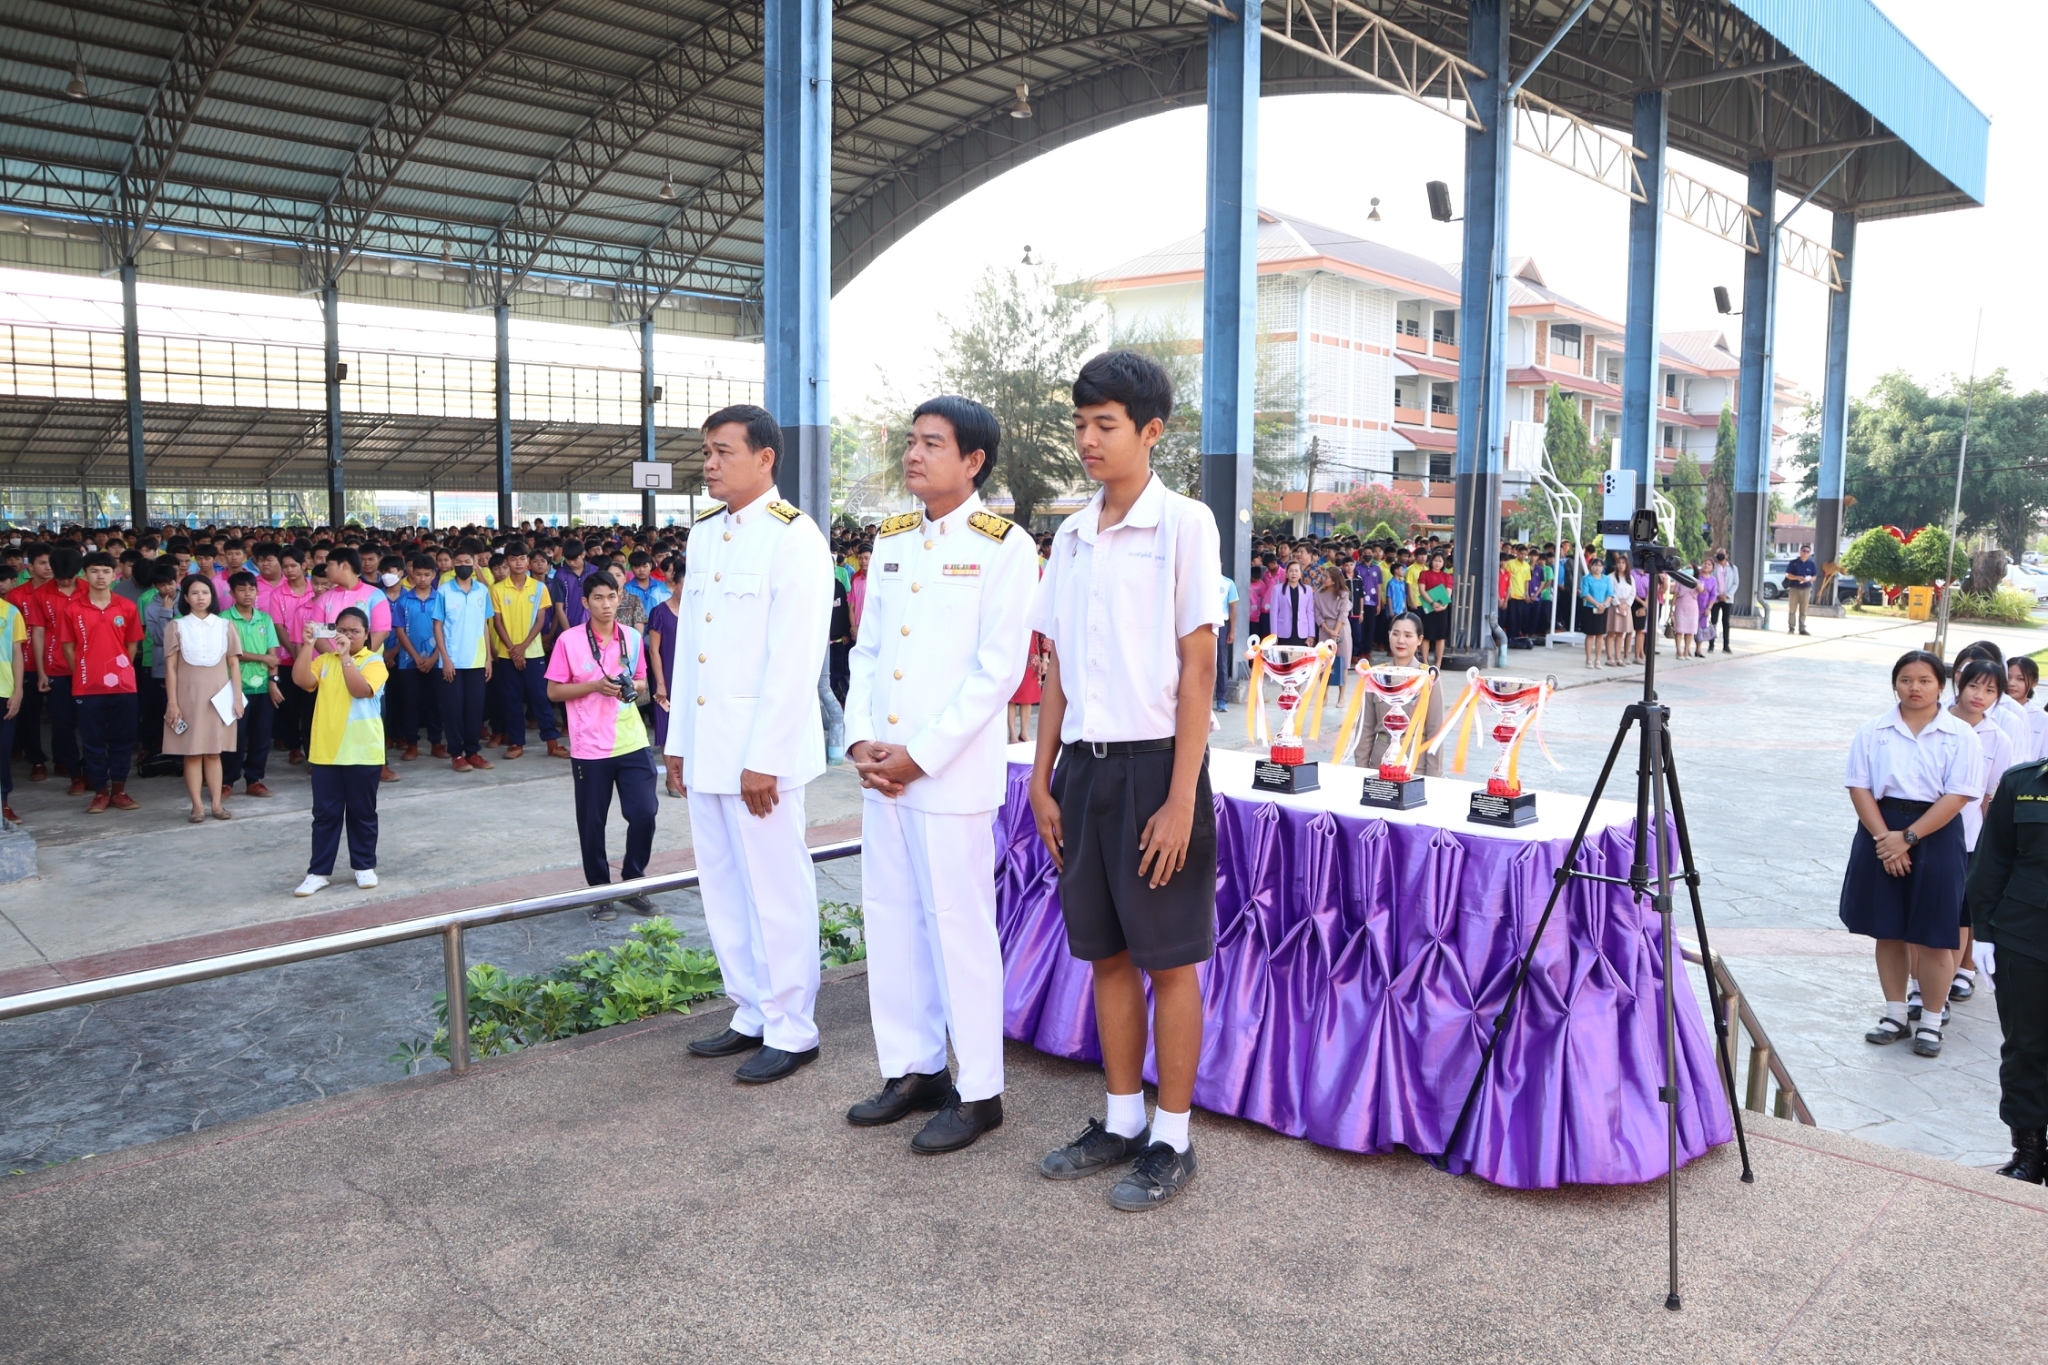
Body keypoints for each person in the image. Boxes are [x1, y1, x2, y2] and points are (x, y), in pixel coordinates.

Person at [1027, 349, 1221, 1212]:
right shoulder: (1069, 535)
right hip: (1084, 771)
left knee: (1167, 959)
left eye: (1104, 425)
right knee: (1104, 952)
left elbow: (1198, 669)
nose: (1087, 441)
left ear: (1152, 431)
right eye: (1080, 425)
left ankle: (1172, 1137)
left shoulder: (1185, 524)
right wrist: (1042, 778)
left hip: (1154, 771)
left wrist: (1182, 797)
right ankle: (1119, 1116)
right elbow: (1058, 663)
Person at [841, 394, 1035, 1154]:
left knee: (958, 930)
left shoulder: (1004, 546)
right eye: (912, 443)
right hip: (881, 773)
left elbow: (997, 672)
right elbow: (864, 653)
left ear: (973, 460)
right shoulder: (891, 540)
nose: (913, 455)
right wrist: (862, 741)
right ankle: (915, 1066)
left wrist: (920, 754)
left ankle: (980, 1088)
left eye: (932, 443)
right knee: (890, 915)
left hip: (944, 776)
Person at [666, 404, 833, 1084]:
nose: (709, 461)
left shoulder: (794, 538)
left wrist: (764, 755)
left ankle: (794, 1026)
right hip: (708, 747)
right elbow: (690, 650)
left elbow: (795, 659)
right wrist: (677, 739)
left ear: (764, 458)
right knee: (725, 885)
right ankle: (751, 1010)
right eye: (706, 450)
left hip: (760, 755)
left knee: (776, 888)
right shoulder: (706, 534)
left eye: (722, 450)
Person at [1841, 650, 1981, 1059]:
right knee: (1889, 929)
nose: (1914, 687)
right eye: (1906, 679)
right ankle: (1895, 1013)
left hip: (1935, 832)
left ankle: (1932, 1021)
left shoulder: (1960, 735)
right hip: (1880, 829)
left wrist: (1909, 838)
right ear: (1895, 683)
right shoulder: (1873, 731)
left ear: (1941, 685)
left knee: (1936, 933)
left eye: (1924, 680)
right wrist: (1886, 839)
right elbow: (1859, 786)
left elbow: (1958, 795)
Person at [546, 572, 658, 922]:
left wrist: (633, 686)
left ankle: (633, 880)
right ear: (585, 602)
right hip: (589, 746)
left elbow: (641, 680)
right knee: (593, 823)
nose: (606, 604)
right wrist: (595, 686)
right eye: (598, 598)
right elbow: (553, 692)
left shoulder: (633, 637)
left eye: (612, 597)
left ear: (619, 597)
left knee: (645, 813)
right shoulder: (569, 640)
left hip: (631, 740)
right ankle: (601, 892)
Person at [1963, 729, 2048, 1184]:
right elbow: (1991, 862)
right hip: (2024, 939)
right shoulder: (2023, 783)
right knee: (2025, 1049)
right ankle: (2029, 1153)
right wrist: (1984, 933)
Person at [291, 608, 387, 896]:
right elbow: (301, 681)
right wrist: (307, 644)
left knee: (362, 812)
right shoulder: (323, 660)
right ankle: (318, 872)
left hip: (361, 750)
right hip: (326, 750)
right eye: (341, 631)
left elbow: (360, 690)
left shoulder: (374, 661)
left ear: (366, 634)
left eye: (354, 631)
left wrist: (346, 658)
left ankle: (364, 866)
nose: (346, 636)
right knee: (325, 814)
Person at [58, 552, 145, 813]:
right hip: (87, 687)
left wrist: (120, 669)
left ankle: (119, 791)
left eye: (105, 571)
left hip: (123, 686)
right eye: (94, 571)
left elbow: (132, 645)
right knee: (93, 741)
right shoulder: (73, 609)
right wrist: (84, 672)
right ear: (85, 574)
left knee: (123, 739)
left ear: (114, 574)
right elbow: (68, 648)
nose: (100, 576)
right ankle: (99, 792)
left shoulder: (126, 607)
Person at [162, 576, 242, 823]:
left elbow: (233, 663)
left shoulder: (225, 625)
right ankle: (197, 806)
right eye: (194, 593)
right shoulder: (176, 627)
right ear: (185, 598)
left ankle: (216, 805)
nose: (200, 597)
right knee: (192, 753)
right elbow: (171, 668)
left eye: (205, 593)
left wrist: (237, 697)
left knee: (214, 752)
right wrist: (173, 702)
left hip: (219, 696)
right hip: (188, 697)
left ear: (212, 597)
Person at [487, 541, 566, 760]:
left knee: (541, 698)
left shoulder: (539, 588)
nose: (518, 563)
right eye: (513, 559)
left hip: (533, 653)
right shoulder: (497, 589)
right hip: (506, 655)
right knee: (511, 699)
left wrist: (522, 648)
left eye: (522, 559)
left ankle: (552, 742)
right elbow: (497, 622)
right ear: (507, 562)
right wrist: (514, 650)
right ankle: (515, 743)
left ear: (528, 562)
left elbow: (541, 621)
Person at [1351, 612, 1442, 775]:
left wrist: (1433, 778)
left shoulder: (1428, 677)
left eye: (1408, 635)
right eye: (1396, 634)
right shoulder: (1376, 675)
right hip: (1379, 764)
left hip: (1415, 765)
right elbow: (1365, 728)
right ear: (1389, 635)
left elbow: (1435, 731)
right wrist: (1361, 772)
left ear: (1419, 640)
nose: (1401, 641)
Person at [218, 571, 282, 798]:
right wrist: (262, 658)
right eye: (242, 589)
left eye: (251, 589)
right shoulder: (224, 619)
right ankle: (227, 780)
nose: (248, 593)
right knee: (235, 735)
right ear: (232, 593)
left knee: (261, 735)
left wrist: (273, 681)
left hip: (263, 687)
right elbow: (229, 652)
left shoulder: (264, 619)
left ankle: (254, 779)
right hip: (235, 687)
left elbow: (272, 653)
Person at [431, 545, 495, 771]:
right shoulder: (444, 590)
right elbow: (437, 626)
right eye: (458, 562)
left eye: (468, 562)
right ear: (453, 565)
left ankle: (473, 752)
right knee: (453, 709)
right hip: (453, 661)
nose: (463, 566)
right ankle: (456, 754)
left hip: (476, 660)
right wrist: (445, 659)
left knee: (475, 709)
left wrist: (488, 658)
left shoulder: (482, 591)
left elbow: (485, 625)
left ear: (475, 563)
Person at [29, 546, 85, 793]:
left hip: (87, 667)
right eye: (60, 576)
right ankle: (75, 773)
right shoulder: (41, 594)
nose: (64, 581)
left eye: (69, 576)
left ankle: (93, 771)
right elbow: (38, 633)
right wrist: (41, 671)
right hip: (56, 668)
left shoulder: (89, 589)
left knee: (91, 723)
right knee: (62, 724)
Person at [388, 555, 445, 762]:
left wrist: (434, 658)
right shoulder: (404, 601)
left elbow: (446, 631)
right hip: (407, 661)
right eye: (418, 574)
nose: (422, 578)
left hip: (437, 661)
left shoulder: (440, 599)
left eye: (427, 575)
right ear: (412, 574)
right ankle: (411, 744)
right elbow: (400, 631)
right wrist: (414, 656)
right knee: (410, 703)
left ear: (434, 575)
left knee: (435, 702)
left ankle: (436, 742)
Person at [0, 564, 25, 822]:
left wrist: (18, 691)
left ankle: (3, 801)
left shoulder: (11, 612)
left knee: (3, 750)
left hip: (4, 690)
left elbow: (17, 653)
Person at [2007, 655, 2048, 763]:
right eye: (2008, 677)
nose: (2011, 683)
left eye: (2020, 679)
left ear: (2034, 682)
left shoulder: (2042, 719)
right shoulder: (1988, 711)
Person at [1417, 551, 1453, 669]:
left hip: (1442, 609)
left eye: (1440, 561)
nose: (1437, 563)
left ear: (1443, 563)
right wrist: (1432, 602)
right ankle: (1426, 662)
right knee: (1426, 636)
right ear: (1431, 561)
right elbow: (1422, 590)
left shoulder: (1447, 576)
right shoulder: (1424, 574)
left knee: (1440, 636)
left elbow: (1448, 592)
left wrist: (1444, 605)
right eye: (1435, 560)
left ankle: (1438, 663)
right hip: (1428, 607)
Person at [1268, 562, 1313, 647]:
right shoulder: (1277, 589)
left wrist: (1311, 635)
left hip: (1302, 632)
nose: (1294, 573)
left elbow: (1310, 613)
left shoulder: (1308, 590)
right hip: (1283, 632)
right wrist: (1273, 635)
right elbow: (1274, 613)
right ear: (1286, 574)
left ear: (1301, 574)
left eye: (1296, 571)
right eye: (1291, 571)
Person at [1784, 544, 1818, 635]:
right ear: (1800, 552)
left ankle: (1802, 628)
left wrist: (1809, 579)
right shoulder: (1793, 563)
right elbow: (1787, 575)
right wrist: (1797, 577)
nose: (1805, 553)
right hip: (1794, 589)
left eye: (1807, 551)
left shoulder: (1811, 564)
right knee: (1792, 609)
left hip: (1806, 589)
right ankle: (1791, 628)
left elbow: (1815, 576)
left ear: (1809, 553)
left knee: (1804, 610)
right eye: (1804, 551)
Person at [1711, 550, 1738, 653]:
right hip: (1716, 598)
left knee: (1726, 621)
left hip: (1727, 599)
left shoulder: (1733, 568)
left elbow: (1736, 583)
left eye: (1722, 553)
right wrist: (1717, 595)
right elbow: (1712, 582)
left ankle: (1726, 646)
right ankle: (1711, 645)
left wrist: (1727, 595)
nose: (1720, 555)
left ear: (1727, 555)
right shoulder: (1714, 567)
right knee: (1713, 621)